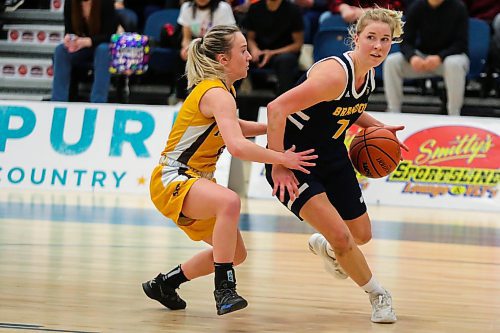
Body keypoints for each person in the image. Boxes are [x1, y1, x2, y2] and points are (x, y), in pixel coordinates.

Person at [142, 25, 317, 316]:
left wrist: (276, 126)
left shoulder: (225, 90)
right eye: (243, 50)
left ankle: (164, 284)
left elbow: (234, 128)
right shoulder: (216, 93)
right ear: (223, 59)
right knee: (230, 201)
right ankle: (224, 290)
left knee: (235, 254)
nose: (249, 56)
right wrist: (281, 158)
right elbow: (236, 146)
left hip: (195, 179)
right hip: (174, 176)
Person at [265, 8, 407, 323]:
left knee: (361, 233)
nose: (378, 46)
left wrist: (378, 128)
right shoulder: (334, 74)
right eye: (371, 38)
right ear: (356, 38)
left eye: (385, 40)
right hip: (295, 158)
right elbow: (276, 108)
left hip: (332, 154)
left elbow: (348, 109)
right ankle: (378, 295)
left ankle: (326, 246)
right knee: (343, 238)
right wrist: (278, 163)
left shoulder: (368, 71)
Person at [383, 0, 469, 116]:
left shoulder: (459, 7)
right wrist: (412, 57)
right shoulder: (417, 7)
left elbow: (461, 43)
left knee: (453, 64)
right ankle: (393, 110)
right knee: (392, 62)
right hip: (423, 58)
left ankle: (454, 114)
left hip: (449, 58)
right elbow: (405, 41)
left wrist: (440, 57)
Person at [51, 0, 118, 103]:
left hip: (101, 44)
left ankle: (98, 101)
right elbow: (69, 30)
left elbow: (110, 35)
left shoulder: (105, 3)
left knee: (103, 50)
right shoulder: (70, 3)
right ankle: (58, 101)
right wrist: (69, 39)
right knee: (61, 50)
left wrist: (88, 41)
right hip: (81, 46)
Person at [171, 0, 236, 104]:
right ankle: (181, 99)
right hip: (196, 46)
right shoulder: (187, 7)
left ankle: (224, 100)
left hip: (218, 48)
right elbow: (186, 38)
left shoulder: (223, 9)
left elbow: (227, 38)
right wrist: (187, 49)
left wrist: (205, 51)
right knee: (181, 56)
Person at [243, 0, 304, 95]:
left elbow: (298, 44)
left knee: (285, 61)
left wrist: (272, 53)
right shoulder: (255, 8)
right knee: (239, 58)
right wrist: (254, 49)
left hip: (282, 53)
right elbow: (250, 38)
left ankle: (284, 103)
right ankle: (232, 100)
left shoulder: (293, 10)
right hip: (259, 53)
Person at [321, 0, 405, 24]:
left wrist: (368, 12)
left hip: (380, 15)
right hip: (351, 15)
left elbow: (396, 6)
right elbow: (331, 2)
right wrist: (343, 7)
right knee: (325, 17)